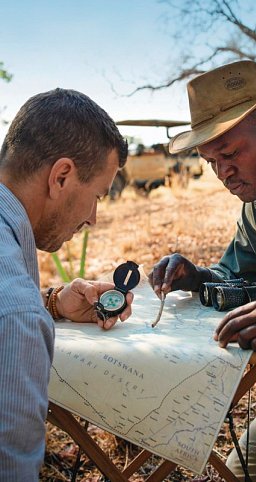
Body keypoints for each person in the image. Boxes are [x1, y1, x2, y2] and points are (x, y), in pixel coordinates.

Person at [149, 60, 256, 481]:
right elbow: (241, 278)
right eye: (211, 162)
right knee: (241, 472)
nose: (223, 173)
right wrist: (198, 277)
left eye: (229, 154)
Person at [0, 88, 133, 481]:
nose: (92, 217)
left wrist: (54, 303)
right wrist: (32, 309)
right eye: (97, 196)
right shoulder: (18, 319)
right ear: (61, 176)